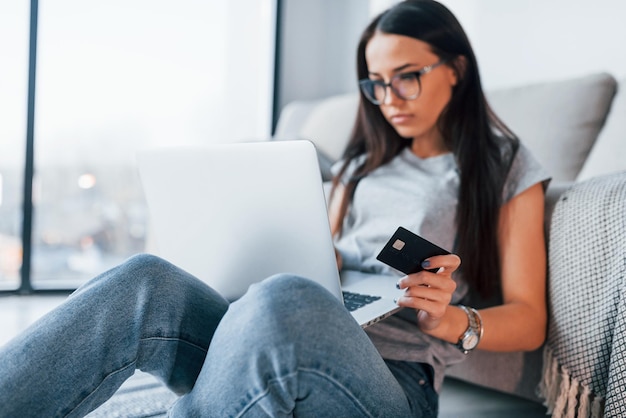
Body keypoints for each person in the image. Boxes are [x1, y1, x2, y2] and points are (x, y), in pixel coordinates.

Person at [0, 1, 550, 416]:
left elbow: (528, 321)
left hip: (391, 374)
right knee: (148, 282)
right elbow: (321, 257)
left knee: (284, 297)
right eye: (376, 85)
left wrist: (451, 318)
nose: (389, 101)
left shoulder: (503, 165)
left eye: (407, 77)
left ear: (455, 68)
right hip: (277, 328)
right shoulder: (362, 163)